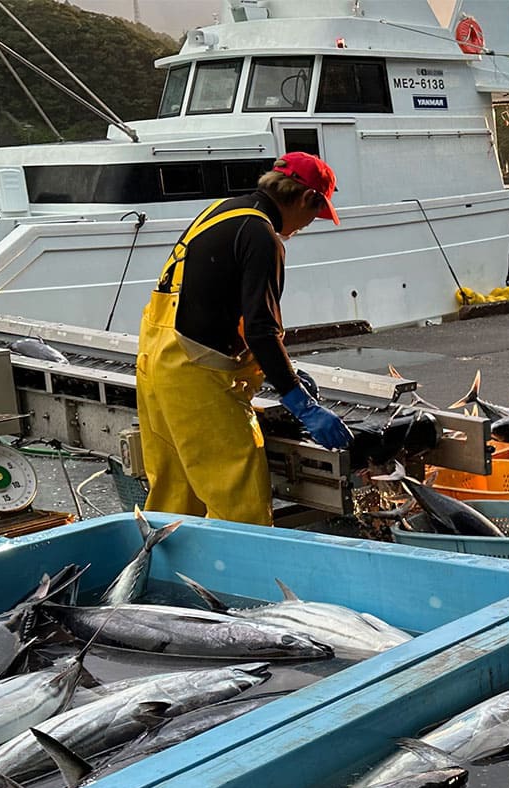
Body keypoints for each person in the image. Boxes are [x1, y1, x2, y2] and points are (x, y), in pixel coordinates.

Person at [135, 152, 350, 525]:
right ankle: (238, 584)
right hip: (196, 380)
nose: (305, 226)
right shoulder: (262, 236)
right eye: (315, 215)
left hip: (156, 362)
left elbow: (211, 300)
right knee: (241, 507)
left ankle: (168, 581)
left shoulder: (221, 211)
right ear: (305, 198)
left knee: (173, 501)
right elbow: (261, 329)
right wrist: (300, 400)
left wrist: (279, 368)